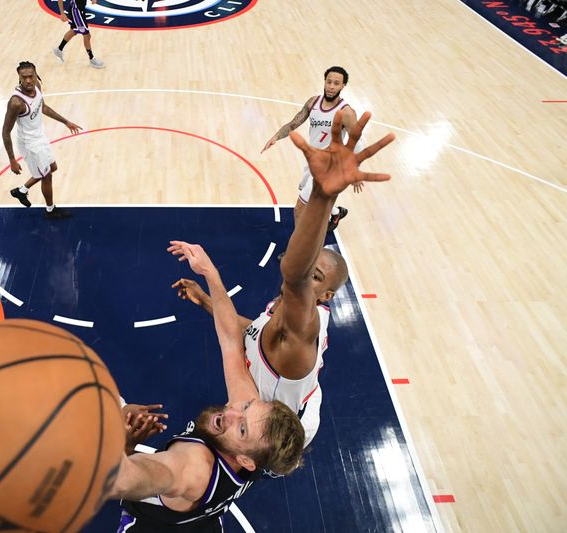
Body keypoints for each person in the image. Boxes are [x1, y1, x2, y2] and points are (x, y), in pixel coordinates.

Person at [173, 111, 395, 449]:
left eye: (315, 276)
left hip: (283, 427)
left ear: (327, 296)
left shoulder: (300, 328)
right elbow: (255, 332)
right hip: (287, 396)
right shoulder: (285, 319)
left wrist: (321, 197)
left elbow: (294, 276)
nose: (306, 275)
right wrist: (205, 299)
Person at [109, 243, 306, 531]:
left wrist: (123, 444)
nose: (231, 412)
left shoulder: (191, 467)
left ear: (245, 461)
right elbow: (230, 341)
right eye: (247, 406)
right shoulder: (256, 441)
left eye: (241, 428)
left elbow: (115, 483)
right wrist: (209, 273)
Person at [262, 66, 362, 232]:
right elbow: (294, 123)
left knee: (300, 210)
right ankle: (336, 213)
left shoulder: (347, 113)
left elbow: (357, 141)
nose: (331, 86)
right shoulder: (313, 102)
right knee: (312, 195)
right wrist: (276, 137)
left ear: (343, 86)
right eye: (329, 82)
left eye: (336, 83)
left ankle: (297, 252)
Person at [3, 61, 82, 219]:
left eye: (31, 76)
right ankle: (51, 210)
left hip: (40, 137)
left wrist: (66, 121)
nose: (28, 81)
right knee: (47, 176)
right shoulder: (16, 102)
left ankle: (22, 191)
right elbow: (5, 132)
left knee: (52, 167)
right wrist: (12, 159)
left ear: (35, 74)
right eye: (24, 77)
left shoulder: (37, 86)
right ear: (19, 77)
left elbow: (43, 107)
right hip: (30, 144)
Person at [52, 0, 105, 69]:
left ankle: (59, 49)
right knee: (87, 35)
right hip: (76, 12)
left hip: (79, 10)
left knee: (74, 31)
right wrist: (62, 13)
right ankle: (92, 59)